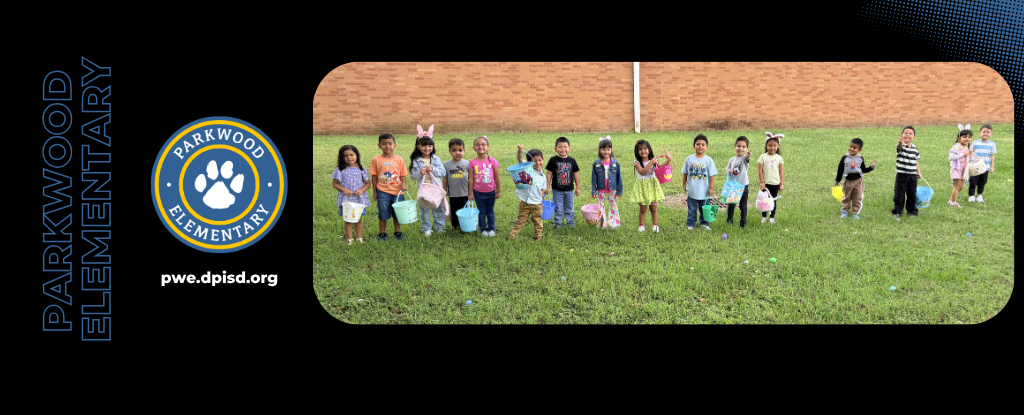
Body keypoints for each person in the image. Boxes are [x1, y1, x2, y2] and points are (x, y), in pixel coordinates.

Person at [369, 133, 408, 241]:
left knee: (397, 214)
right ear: (379, 145)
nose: (387, 146)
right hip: (382, 191)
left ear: (395, 145)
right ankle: (382, 233)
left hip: (398, 192)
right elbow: (374, 176)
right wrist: (375, 192)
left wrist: (404, 184)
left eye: (390, 143)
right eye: (384, 144)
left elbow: (402, 174)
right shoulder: (376, 159)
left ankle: (398, 232)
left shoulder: (399, 159)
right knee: (383, 213)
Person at [409, 134, 447, 236]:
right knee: (424, 209)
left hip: (436, 188)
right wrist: (419, 173)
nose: (427, 148)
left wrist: (433, 169)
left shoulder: (435, 158)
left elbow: (443, 172)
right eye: (424, 146)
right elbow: (413, 176)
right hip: (424, 189)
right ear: (418, 146)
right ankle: (426, 228)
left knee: (438, 208)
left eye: (430, 146)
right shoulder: (416, 160)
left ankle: (440, 227)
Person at [332, 145, 371, 244]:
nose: (349, 157)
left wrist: (361, 190)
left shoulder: (361, 169)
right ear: (341, 158)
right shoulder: (339, 169)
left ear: (357, 155)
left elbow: (368, 184)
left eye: (351, 155)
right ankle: (350, 239)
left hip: (358, 199)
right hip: (346, 199)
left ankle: (359, 238)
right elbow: (335, 183)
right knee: (348, 220)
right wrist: (344, 189)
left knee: (359, 219)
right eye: (345, 156)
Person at [509, 146, 548, 241]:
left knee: (538, 220)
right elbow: (520, 159)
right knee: (520, 220)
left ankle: (538, 235)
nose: (537, 163)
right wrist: (520, 151)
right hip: (525, 202)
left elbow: (542, 190)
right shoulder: (526, 170)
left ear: (543, 160)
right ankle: (512, 236)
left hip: (537, 203)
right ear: (529, 163)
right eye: (534, 161)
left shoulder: (543, 177)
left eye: (539, 160)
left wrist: (541, 201)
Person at [630, 139, 669, 232]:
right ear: (637, 152)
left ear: (649, 150)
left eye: (645, 148)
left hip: (652, 187)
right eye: (640, 149)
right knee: (643, 209)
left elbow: (661, 167)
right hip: (642, 188)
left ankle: (655, 225)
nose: (643, 151)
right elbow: (643, 172)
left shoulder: (653, 161)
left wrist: (669, 159)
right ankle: (641, 225)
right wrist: (651, 162)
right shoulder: (637, 163)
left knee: (654, 208)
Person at [682, 134, 718, 230]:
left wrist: (711, 188)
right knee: (692, 209)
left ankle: (704, 223)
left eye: (703, 144)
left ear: (707, 147)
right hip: (692, 190)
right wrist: (684, 183)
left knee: (705, 208)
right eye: (698, 144)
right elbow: (685, 172)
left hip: (705, 191)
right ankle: (690, 223)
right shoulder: (689, 159)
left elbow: (711, 175)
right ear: (694, 146)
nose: (700, 146)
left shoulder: (708, 160)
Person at [544, 137, 581, 229]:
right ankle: (557, 223)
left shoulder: (572, 161)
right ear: (555, 149)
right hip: (557, 190)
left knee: (570, 208)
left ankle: (570, 222)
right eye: (560, 147)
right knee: (558, 208)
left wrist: (578, 188)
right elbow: (549, 174)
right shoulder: (553, 160)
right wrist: (547, 187)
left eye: (565, 147)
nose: (563, 149)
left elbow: (576, 175)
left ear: (569, 148)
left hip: (570, 190)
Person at [834, 138, 876, 219]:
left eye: (854, 148)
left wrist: (871, 167)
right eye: (850, 146)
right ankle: (845, 211)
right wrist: (837, 180)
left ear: (859, 150)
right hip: (848, 182)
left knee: (857, 197)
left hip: (858, 182)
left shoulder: (860, 158)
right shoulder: (845, 158)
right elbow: (840, 170)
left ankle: (855, 213)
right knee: (847, 197)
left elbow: (863, 170)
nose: (851, 149)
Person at [467, 136, 500, 236]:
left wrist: (498, 191)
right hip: (478, 192)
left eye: (483, 144)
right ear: (474, 148)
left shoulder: (493, 161)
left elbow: (497, 177)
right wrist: (471, 193)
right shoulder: (472, 163)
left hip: (491, 192)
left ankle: (491, 229)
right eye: (477, 145)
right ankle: (483, 229)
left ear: (488, 147)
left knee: (490, 211)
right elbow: (471, 179)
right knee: (481, 212)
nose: (480, 146)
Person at [590, 136, 623, 229]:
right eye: (603, 149)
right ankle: (602, 224)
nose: (606, 151)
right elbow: (593, 178)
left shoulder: (615, 163)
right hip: (601, 189)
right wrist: (593, 191)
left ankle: (614, 223)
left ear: (611, 150)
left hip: (612, 189)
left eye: (608, 149)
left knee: (613, 205)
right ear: (599, 150)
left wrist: (619, 191)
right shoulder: (596, 164)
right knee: (600, 207)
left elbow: (619, 177)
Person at [892, 126, 922, 220]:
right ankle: (897, 212)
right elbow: (899, 146)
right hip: (901, 175)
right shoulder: (900, 146)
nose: (907, 135)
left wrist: (919, 172)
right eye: (905, 133)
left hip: (912, 175)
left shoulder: (915, 148)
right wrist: (900, 143)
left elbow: (916, 161)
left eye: (910, 134)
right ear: (902, 135)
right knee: (899, 194)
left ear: (914, 137)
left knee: (912, 194)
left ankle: (911, 211)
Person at [443, 138, 470, 233]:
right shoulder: (446, 165)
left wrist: (472, 191)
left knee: (466, 210)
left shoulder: (467, 164)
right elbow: (445, 178)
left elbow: (471, 179)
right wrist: (444, 189)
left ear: (464, 151)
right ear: (449, 151)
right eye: (454, 150)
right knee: (455, 211)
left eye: (460, 150)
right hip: (453, 194)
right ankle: (455, 225)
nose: (457, 153)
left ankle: (465, 225)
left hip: (466, 193)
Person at [757, 132, 785, 224]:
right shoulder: (763, 157)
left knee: (773, 200)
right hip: (766, 183)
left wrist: (781, 184)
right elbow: (760, 170)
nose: (772, 148)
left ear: (778, 146)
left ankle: (772, 217)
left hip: (775, 183)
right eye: (769, 145)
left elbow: (781, 172)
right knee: (764, 200)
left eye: (774, 146)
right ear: (766, 145)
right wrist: (762, 182)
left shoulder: (779, 158)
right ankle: (764, 217)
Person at [725, 136, 752, 228]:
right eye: (739, 146)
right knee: (731, 205)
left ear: (747, 148)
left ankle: (743, 223)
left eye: (744, 147)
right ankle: (729, 221)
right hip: (733, 186)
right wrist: (729, 171)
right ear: (735, 146)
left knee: (743, 205)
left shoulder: (745, 159)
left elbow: (747, 159)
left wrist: (748, 155)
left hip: (744, 185)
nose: (741, 148)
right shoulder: (732, 160)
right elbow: (727, 171)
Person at [968, 124, 996, 203]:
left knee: (983, 182)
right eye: (984, 132)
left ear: (991, 134)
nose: (986, 134)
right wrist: (970, 151)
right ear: (979, 133)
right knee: (973, 181)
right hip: (975, 167)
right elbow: (970, 151)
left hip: (985, 167)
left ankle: (979, 195)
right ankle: (971, 195)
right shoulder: (975, 142)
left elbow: (992, 156)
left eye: (988, 132)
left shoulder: (992, 144)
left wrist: (992, 167)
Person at [948, 128, 973, 208]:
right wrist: (963, 154)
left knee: (961, 187)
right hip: (957, 170)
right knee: (957, 187)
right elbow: (951, 157)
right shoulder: (957, 147)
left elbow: (969, 159)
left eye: (969, 137)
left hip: (964, 170)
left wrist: (970, 153)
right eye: (965, 137)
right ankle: (953, 202)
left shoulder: (967, 147)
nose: (967, 139)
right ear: (959, 138)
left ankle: (951, 200)